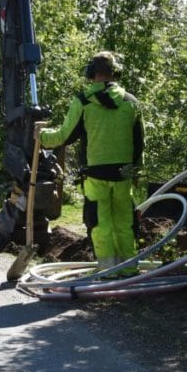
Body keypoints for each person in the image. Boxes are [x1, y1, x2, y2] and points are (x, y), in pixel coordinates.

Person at [38, 51, 144, 276]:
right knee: (125, 223)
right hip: (124, 175)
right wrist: (136, 172)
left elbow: (64, 136)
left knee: (100, 222)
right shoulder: (132, 103)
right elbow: (139, 144)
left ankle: (108, 270)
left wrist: (40, 136)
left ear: (91, 72)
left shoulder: (84, 101)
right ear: (115, 72)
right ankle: (129, 270)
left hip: (96, 174)